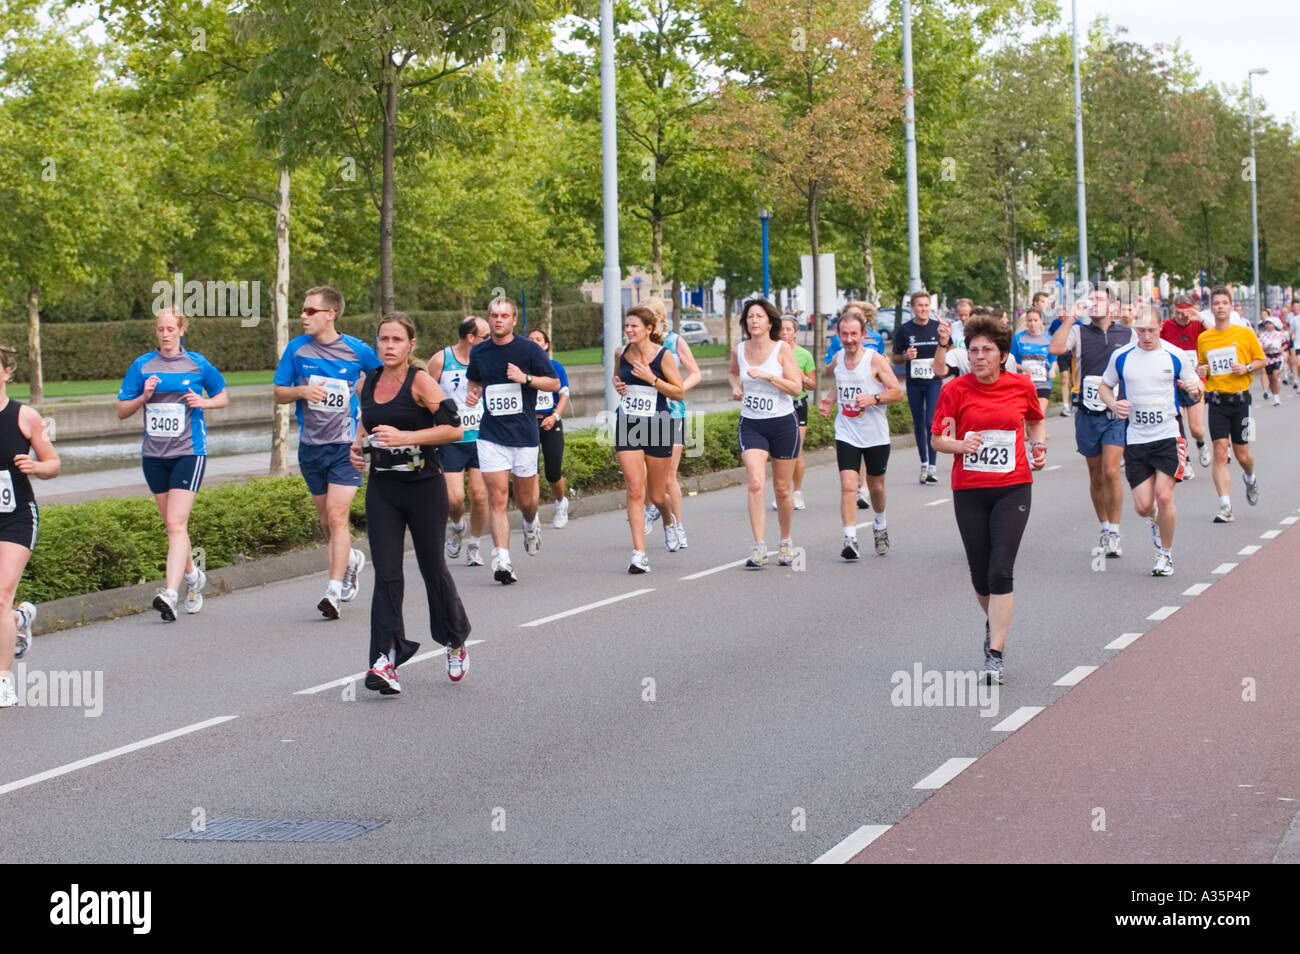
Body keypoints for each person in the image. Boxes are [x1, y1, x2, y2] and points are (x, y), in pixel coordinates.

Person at [352, 313, 470, 693]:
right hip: (384, 488)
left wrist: (408, 436)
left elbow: (454, 428)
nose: (388, 346)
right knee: (386, 573)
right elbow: (365, 422)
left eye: (396, 340)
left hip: (424, 487)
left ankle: (454, 640)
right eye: (383, 339)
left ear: (410, 346)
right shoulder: (365, 382)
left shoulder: (421, 382)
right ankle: (384, 660)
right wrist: (357, 447)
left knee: (432, 568)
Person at [931, 315, 1047, 685]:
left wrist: (1038, 444)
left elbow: (1035, 420)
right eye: (974, 350)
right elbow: (938, 439)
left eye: (987, 350)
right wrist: (960, 444)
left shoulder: (1021, 385)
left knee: (1001, 570)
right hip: (969, 489)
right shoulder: (955, 391)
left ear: (1001, 355)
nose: (979, 356)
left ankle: (995, 652)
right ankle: (992, 621)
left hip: (1013, 486)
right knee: (981, 575)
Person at [274, 286, 380, 618]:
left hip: (345, 446)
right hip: (311, 447)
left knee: (337, 516)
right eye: (303, 310)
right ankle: (350, 560)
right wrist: (301, 391)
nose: (302, 316)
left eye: (310, 311)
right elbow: (278, 392)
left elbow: (382, 381)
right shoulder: (296, 349)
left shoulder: (356, 350)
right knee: (326, 522)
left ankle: (332, 592)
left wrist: (366, 411)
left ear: (330, 314)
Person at [118, 308, 228, 621]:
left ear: (181, 330)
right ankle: (194, 577)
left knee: (176, 524)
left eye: (170, 329)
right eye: (160, 329)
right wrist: (144, 396)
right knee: (172, 525)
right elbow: (121, 410)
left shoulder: (197, 364)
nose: (165, 335)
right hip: (154, 456)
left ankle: (169, 593)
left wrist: (204, 402)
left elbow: (222, 395)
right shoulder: (142, 366)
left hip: (189, 452)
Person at [1100, 307, 1203, 576]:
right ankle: (1156, 520)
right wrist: (1113, 404)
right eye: (1141, 330)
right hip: (1136, 439)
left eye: (1151, 331)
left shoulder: (1174, 355)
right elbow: (1104, 386)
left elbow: (1196, 384)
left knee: (1165, 496)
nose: (1146, 336)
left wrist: (1195, 388)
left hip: (1168, 434)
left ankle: (1164, 555)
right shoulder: (1122, 356)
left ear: (1161, 329)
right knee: (1144, 506)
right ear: (1135, 329)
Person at [464, 297, 560, 584]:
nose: (498, 320)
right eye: (494, 315)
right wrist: (473, 393)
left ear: (514, 320)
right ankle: (502, 559)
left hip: (524, 435)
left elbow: (554, 383)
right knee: (498, 497)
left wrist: (525, 378)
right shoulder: (479, 352)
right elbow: (475, 381)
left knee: (527, 500)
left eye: (504, 315)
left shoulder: (529, 349)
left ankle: (531, 524)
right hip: (491, 435)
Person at [1049, 286, 1135, 557]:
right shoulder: (1079, 331)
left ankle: (1115, 532)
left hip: (1116, 414)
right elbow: (1056, 348)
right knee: (1096, 476)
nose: (1095, 303)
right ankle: (1105, 526)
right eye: (1091, 299)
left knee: (1111, 472)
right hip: (1087, 414)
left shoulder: (1127, 333)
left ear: (1112, 305)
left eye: (1101, 299)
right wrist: (1071, 317)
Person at [0, 344, 59, 708]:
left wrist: (36, 466)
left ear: (6, 372)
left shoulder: (25, 417)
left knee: (1, 594)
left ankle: (3, 679)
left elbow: (53, 463)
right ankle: (20, 619)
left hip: (17, 517)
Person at [818, 309, 902, 559]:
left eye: (854, 334)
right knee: (848, 485)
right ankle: (850, 539)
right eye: (844, 334)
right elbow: (840, 383)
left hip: (875, 433)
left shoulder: (875, 360)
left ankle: (879, 523)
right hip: (846, 431)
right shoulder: (839, 358)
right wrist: (829, 400)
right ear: (839, 334)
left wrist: (874, 398)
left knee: (876, 487)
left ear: (863, 334)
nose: (849, 339)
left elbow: (897, 392)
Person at [731, 297, 804, 567]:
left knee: (783, 489)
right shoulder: (739, 349)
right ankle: (759, 546)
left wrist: (769, 376)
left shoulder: (782, 349)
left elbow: (797, 388)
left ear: (770, 321)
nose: (754, 321)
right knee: (756, 482)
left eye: (759, 316)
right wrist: (736, 387)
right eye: (750, 316)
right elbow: (732, 373)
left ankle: (785, 542)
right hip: (752, 423)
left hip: (782, 422)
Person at [612, 305, 684, 572]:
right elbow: (616, 379)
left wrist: (652, 379)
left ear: (648, 329)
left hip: (658, 425)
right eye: (627, 325)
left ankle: (669, 521)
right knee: (635, 489)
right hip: (628, 422)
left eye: (634, 326)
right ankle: (639, 554)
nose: (628, 330)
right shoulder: (621, 352)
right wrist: (618, 386)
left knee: (657, 494)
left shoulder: (663, 356)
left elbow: (678, 393)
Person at [1198, 286, 1265, 523]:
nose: (1220, 307)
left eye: (1224, 303)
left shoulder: (1245, 334)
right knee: (1219, 452)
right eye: (1216, 303)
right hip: (1216, 400)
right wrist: (1201, 370)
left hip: (1241, 401)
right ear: (1211, 308)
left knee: (1243, 455)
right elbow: (1202, 366)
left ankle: (1250, 478)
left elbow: (1261, 360)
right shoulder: (1204, 338)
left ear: (1230, 306)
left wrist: (1245, 368)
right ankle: (1225, 505)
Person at [428, 316, 490, 566]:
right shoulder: (441, 360)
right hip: (452, 437)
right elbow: (425, 395)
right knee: (454, 498)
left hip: (482, 437)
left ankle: (474, 545)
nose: (491, 339)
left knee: (479, 495)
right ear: (470, 337)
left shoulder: (487, 360)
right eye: (486, 336)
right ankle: (457, 525)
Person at [642, 297, 701, 549]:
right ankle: (651, 507)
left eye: (648, 319)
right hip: (643, 414)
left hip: (672, 412)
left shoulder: (675, 341)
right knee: (643, 473)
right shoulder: (636, 342)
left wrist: (677, 388)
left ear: (660, 319)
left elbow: (695, 372)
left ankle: (677, 525)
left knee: (668, 476)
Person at [892, 290, 942, 484]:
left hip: (934, 382)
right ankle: (923, 463)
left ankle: (933, 467)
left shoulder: (938, 328)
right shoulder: (904, 330)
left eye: (926, 305)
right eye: (920, 306)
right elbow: (894, 357)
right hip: (914, 383)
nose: (924, 309)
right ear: (912, 308)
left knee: (931, 422)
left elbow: (950, 349)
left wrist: (941, 357)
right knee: (919, 424)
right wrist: (906, 357)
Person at [1160, 294, 1209, 478]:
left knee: (1196, 428)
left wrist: (1200, 317)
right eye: (1177, 312)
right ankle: (1186, 461)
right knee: (1177, 425)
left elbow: (1216, 335)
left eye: (1184, 313)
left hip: (1195, 382)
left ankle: (1202, 443)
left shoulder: (1199, 325)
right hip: (1174, 383)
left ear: (1192, 310)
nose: (1181, 316)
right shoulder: (1166, 327)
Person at [528, 328, 572, 527]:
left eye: (539, 339)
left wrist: (554, 416)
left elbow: (564, 395)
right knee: (531, 472)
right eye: (531, 340)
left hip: (551, 420)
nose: (535, 342)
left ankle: (561, 502)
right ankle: (532, 515)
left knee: (553, 472)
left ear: (546, 345)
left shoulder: (555, 367)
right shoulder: (522, 369)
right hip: (528, 423)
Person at [775, 316, 816, 511]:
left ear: (795, 332)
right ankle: (781, 492)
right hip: (778, 405)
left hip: (798, 405)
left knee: (796, 452)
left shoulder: (804, 355)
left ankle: (797, 492)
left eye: (789, 329)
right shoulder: (772, 353)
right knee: (779, 455)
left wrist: (803, 378)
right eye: (781, 329)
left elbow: (814, 385)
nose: (785, 333)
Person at [1010, 307, 1056, 416]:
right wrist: (1023, 368)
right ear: (1026, 322)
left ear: (1041, 321)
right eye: (1029, 321)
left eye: (1035, 320)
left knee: (1039, 416)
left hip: (1043, 383)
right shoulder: (1017, 338)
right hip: (1024, 383)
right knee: (1025, 418)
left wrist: (1053, 370)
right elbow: (1011, 361)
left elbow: (1053, 359)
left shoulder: (1048, 339)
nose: (1032, 324)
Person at [1048, 305, 1073, 417]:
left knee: (1074, 381)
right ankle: (1065, 404)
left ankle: (1075, 401)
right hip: (1062, 354)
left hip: (1074, 354)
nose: (1062, 317)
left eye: (1064, 315)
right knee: (1064, 378)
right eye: (1060, 315)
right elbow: (1051, 337)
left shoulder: (1076, 323)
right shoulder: (1055, 323)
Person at [1257, 314, 1286, 407]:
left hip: (1278, 357)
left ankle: (1277, 397)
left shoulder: (1279, 334)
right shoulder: (1262, 336)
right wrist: (1266, 348)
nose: (1268, 325)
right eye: (1266, 324)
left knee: (1275, 376)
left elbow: (1286, 344)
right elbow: (1259, 348)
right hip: (1268, 358)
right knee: (1271, 379)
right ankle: (1274, 396)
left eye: (1270, 323)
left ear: (1274, 325)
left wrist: (1282, 348)